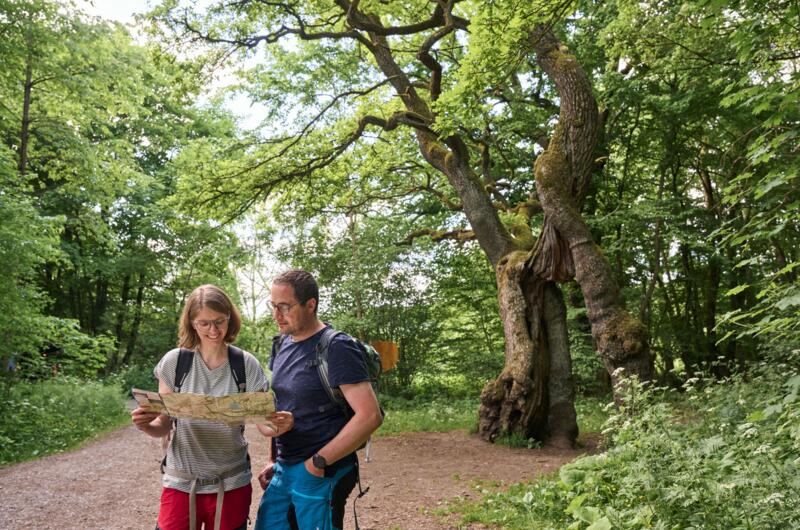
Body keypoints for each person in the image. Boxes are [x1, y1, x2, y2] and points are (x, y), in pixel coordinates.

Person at [131, 284, 293, 530]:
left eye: (220, 321)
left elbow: (263, 424)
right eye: (204, 323)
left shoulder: (245, 364)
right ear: (192, 322)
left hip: (231, 482)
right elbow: (163, 425)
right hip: (181, 482)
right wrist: (146, 425)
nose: (214, 330)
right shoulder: (175, 362)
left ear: (230, 319)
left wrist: (279, 426)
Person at [254, 269, 383, 530]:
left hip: (323, 470)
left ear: (310, 305)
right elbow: (280, 405)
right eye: (273, 306)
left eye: (285, 307)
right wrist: (273, 458)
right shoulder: (281, 344)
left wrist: (317, 463)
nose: (276, 315)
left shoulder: (337, 347)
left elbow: (370, 415)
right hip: (285, 466)